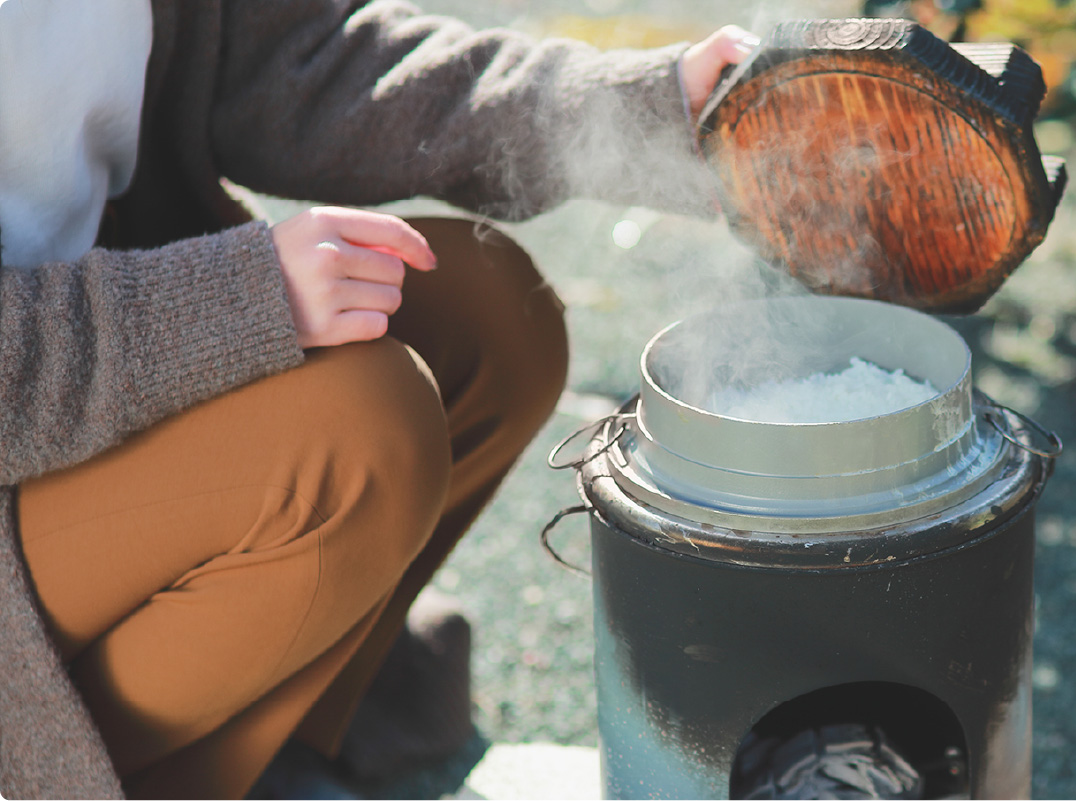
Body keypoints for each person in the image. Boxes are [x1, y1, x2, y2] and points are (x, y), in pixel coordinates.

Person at [0, 1, 755, 797]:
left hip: (98, 355)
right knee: (355, 427)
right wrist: (233, 298)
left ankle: (264, 748)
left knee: (487, 309)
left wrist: (647, 104)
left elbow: (294, 62)